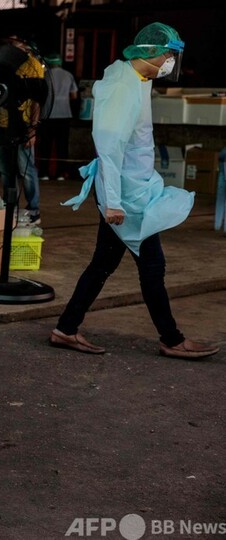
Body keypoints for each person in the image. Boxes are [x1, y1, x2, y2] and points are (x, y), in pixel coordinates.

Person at [51, 23, 219, 360]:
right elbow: (110, 148)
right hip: (125, 197)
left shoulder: (135, 79)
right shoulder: (124, 87)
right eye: (170, 55)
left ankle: (66, 328)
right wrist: (113, 202)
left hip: (134, 189)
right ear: (153, 53)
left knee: (103, 264)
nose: (172, 61)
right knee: (152, 267)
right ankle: (171, 339)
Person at [0, 36, 45, 227]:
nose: (12, 45)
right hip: (2, 125)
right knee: (5, 170)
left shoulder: (33, 66)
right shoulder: (1, 63)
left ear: (25, 45)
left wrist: (32, 129)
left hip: (22, 125)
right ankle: (9, 207)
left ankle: (33, 209)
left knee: (27, 170)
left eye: (16, 42)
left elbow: (38, 99)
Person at [38, 53, 78, 181]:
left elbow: (40, 95)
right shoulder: (68, 75)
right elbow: (74, 96)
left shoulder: (45, 75)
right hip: (64, 114)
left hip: (47, 114)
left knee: (45, 145)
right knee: (62, 145)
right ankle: (61, 173)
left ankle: (44, 173)